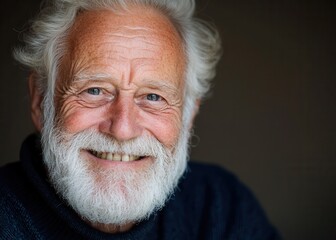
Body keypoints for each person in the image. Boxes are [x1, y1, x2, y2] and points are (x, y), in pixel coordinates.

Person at [0, 0, 280, 239]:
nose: (123, 129)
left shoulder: (221, 208)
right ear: (40, 102)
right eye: (95, 90)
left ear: (188, 115)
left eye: (153, 97)